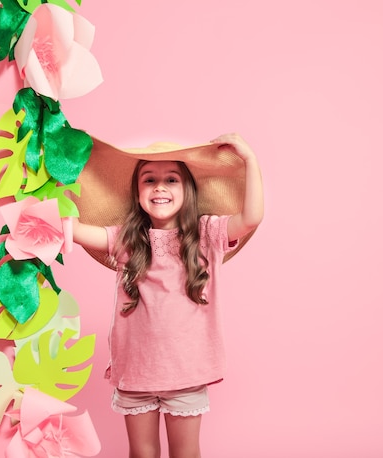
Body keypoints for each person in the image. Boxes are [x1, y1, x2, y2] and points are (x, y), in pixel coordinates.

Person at [72, 132, 264, 458]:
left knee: (185, 453)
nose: (160, 187)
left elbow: (251, 218)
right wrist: (46, 174)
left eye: (171, 179)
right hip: (136, 373)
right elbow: (73, 230)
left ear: (187, 190)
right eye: (149, 180)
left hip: (186, 373)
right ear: (137, 193)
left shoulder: (207, 234)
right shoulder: (126, 240)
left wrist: (249, 159)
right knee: (142, 453)